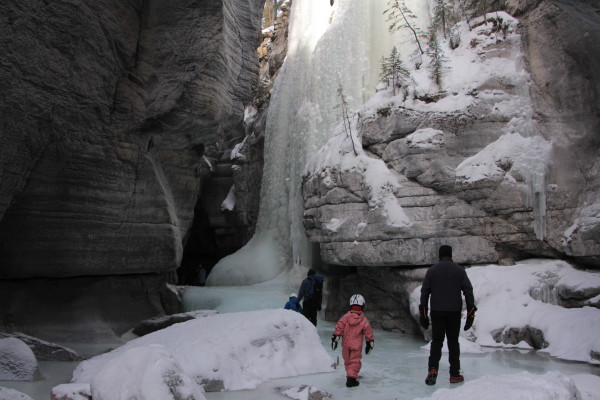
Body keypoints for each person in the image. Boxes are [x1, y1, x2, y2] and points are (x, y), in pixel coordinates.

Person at [419, 245, 477, 385]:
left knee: (437, 341)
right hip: (453, 312)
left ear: (439, 255)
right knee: (453, 343)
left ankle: (433, 369)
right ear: (451, 255)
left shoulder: (432, 271)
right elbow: (468, 291)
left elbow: (424, 293)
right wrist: (471, 314)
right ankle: (454, 374)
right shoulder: (459, 270)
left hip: (437, 311)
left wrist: (424, 314)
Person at [331, 294, 374, 388]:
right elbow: (368, 332)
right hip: (356, 345)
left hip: (345, 344)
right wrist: (369, 342)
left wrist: (335, 337)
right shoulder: (363, 320)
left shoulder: (345, 317)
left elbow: (339, 326)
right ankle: (351, 379)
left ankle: (351, 374)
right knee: (355, 361)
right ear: (363, 305)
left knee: (347, 361)